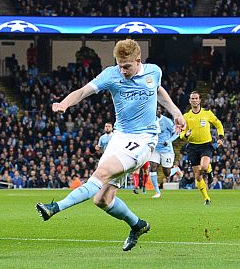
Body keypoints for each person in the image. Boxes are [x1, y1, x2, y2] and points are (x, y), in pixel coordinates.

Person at [36, 39, 186, 251]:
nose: (123, 70)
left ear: (138, 60)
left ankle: (55, 207)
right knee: (102, 200)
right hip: (120, 137)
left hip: (145, 139)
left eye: (127, 66)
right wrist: (64, 104)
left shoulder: (154, 72)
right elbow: (82, 91)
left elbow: (159, 91)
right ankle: (138, 225)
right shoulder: (111, 74)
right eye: (119, 65)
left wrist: (177, 113)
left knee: (103, 172)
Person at [179, 91, 224, 205]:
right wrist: (185, 135)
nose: (194, 100)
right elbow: (181, 133)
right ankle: (206, 198)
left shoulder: (207, 113)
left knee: (204, 166)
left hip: (206, 145)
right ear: (190, 101)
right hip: (193, 147)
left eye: (196, 98)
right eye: (192, 98)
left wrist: (221, 136)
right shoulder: (186, 116)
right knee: (198, 177)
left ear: (199, 100)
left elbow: (218, 124)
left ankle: (209, 172)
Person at [148, 109, 181, 198]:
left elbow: (177, 133)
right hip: (155, 149)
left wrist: (168, 141)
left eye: (157, 110)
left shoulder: (167, 121)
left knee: (167, 173)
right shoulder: (150, 121)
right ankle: (157, 192)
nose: (155, 112)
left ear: (160, 111)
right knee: (152, 166)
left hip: (166, 150)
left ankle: (176, 169)